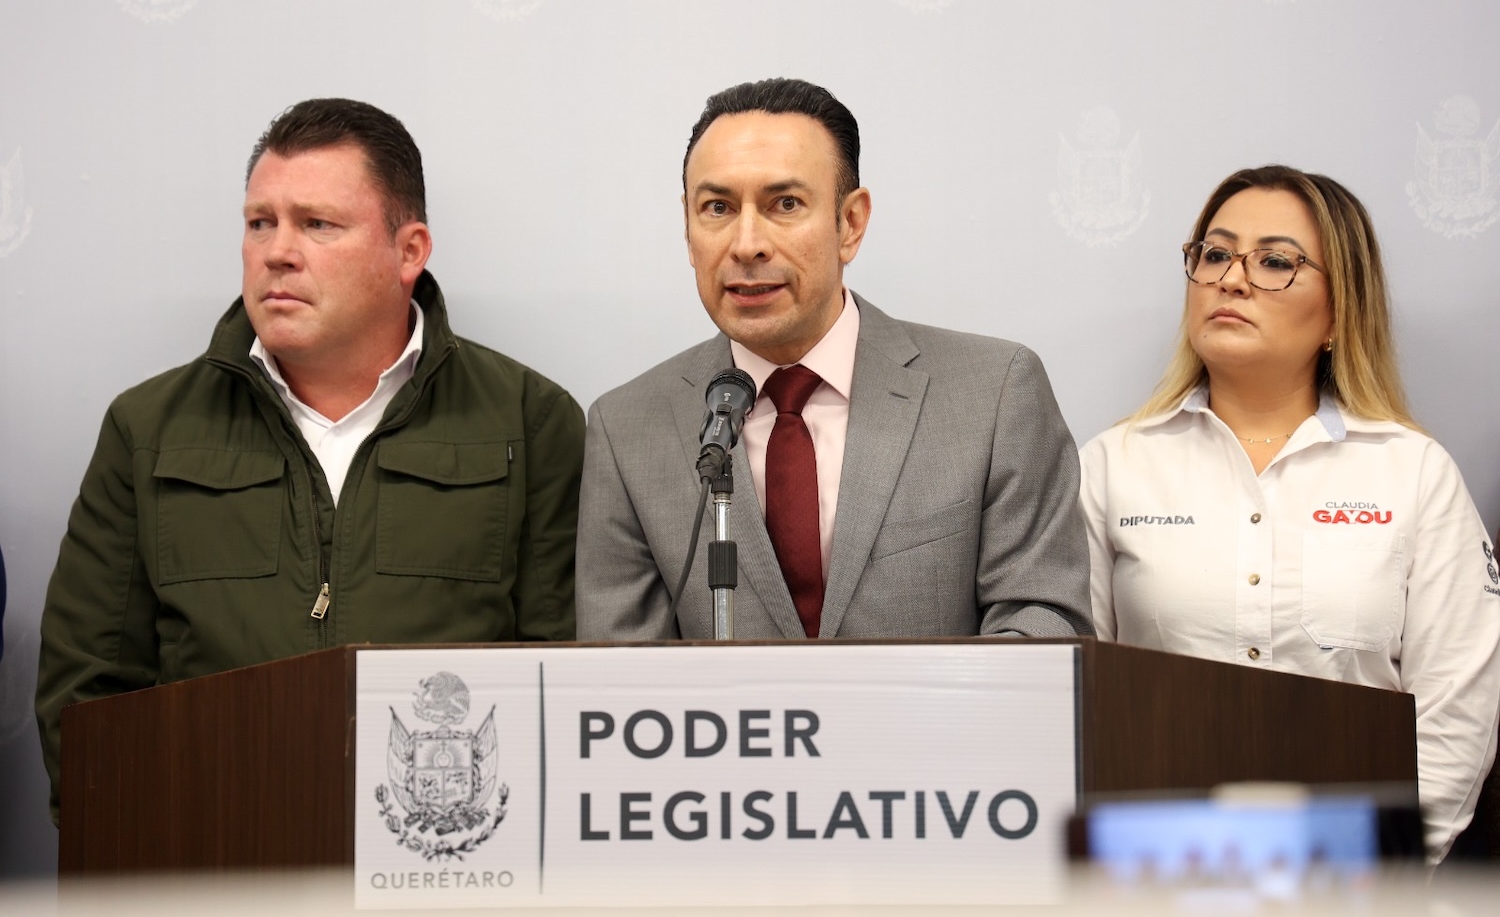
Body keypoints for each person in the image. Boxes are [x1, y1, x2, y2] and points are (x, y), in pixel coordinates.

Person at [35, 98, 584, 818]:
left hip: (444, 852)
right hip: (214, 852)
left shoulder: (529, 422)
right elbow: (86, 697)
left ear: (410, 251)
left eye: (318, 224)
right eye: (260, 222)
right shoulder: (149, 431)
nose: (277, 251)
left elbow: (564, 686)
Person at [1080, 165, 1500, 862]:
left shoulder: (1414, 472)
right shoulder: (1112, 464)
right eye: (1215, 254)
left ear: (1338, 314)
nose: (1231, 279)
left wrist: (1377, 872)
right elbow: (1078, 700)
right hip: (1158, 870)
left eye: (1275, 262)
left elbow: (1457, 713)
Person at [577, 78, 1091, 640]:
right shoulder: (627, 430)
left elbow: (1044, 629)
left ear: (851, 223)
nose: (746, 244)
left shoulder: (993, 394)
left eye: (785, 204)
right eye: (717, 208)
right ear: (687, 227)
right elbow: (621, 674)